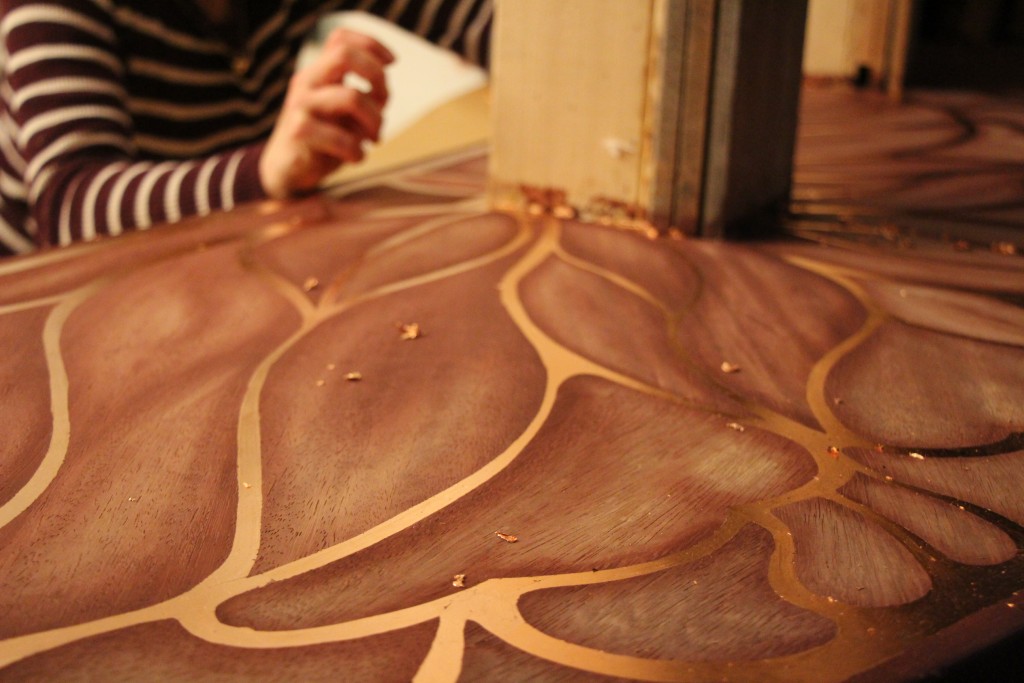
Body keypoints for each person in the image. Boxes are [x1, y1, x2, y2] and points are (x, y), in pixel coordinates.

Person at [0, 0, 492, 256]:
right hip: (42, 297)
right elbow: (67, 210)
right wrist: (264, 171)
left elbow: (489, 23)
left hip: (226, 242)